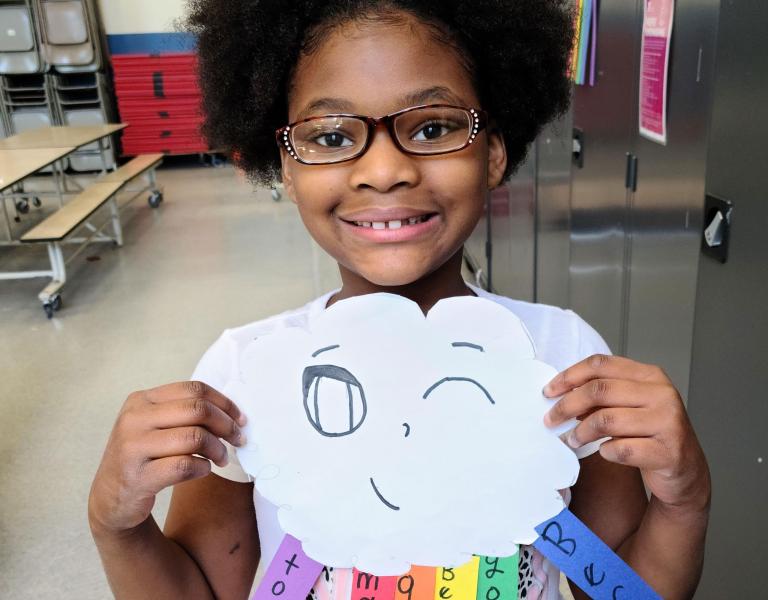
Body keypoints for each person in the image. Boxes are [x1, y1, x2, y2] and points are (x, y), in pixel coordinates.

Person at [88, 2, 711, 599]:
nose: (383, 171)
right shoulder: (245, 374)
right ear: (287, 164)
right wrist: (117, 526)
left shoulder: (562, 357)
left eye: (433, 127)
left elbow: (617, 588)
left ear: (492, 151)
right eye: (331, 137)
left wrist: (684, 502)